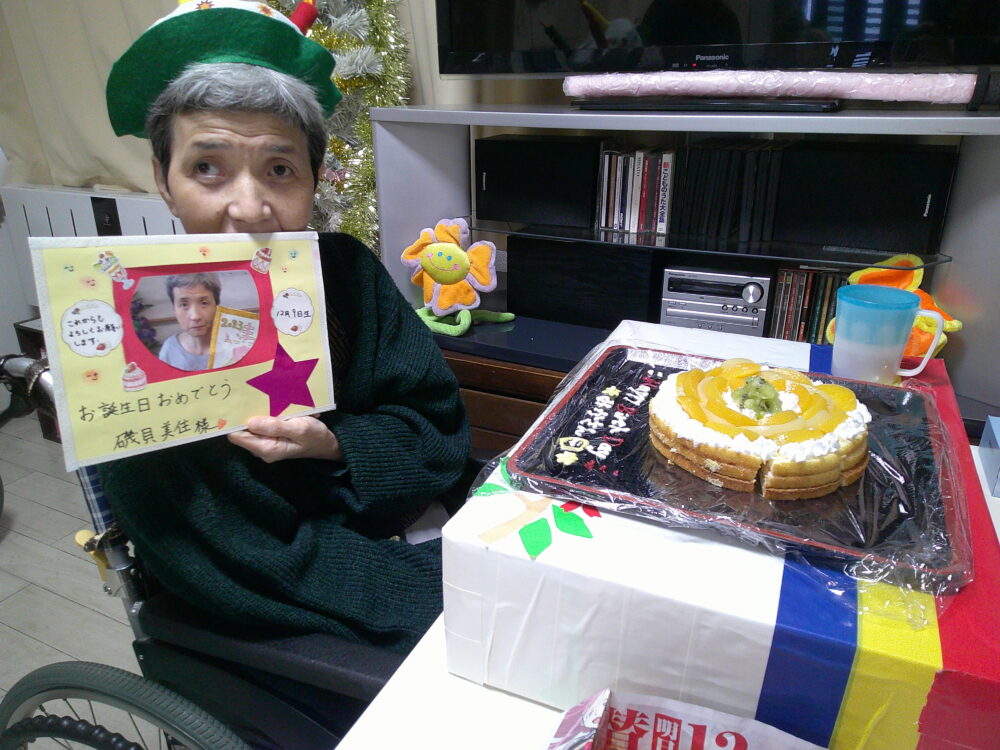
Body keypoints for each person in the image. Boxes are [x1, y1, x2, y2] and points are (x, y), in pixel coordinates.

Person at [97, 1, 470, 654]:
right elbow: (239, 559)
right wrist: (455, 592)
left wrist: (334, 444)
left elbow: (437, 430)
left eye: (279, 169)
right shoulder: (124, 343)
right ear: (163, 178)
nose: (250, 208)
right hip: (302, 600)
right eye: (207, 167)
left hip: (409, 527)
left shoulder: (347, 273)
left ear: (314, 178)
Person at [158, 272, 222, 371]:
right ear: (174, 309)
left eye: (204, 303)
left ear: (216, 306)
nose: (195, 316)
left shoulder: (235, 345)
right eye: (184, 305)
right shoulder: (169, 350)